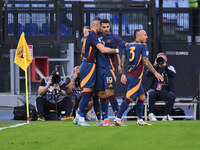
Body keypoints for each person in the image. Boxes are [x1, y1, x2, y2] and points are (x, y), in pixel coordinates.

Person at [73, 17, 120, 126]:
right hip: (89, 64)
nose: (103, 29)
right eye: (102, 26)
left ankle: (79, 117)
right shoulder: (93, 35)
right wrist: (116, 51)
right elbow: (103, 49)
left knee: (93, 93)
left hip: (87, 64)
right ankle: (81, 118)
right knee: (87, 92)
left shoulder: (87, 36)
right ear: (97, 26)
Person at [114, 29, 164, 126]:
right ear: (139, 36)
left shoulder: (127, 46)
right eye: (145, 35)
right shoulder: (143, 46)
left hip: (130, 74)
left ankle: (140, 120)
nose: (147, 37)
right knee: (130, 97)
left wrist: (123, 74)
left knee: (141, 97)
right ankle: (117, 118)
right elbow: (146, 61)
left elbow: (123, 61)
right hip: (136, 76)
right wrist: (155, 73)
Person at [93, 19, 127, 126]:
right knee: (101, 94)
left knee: (109, 93)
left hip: (109, 69)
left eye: (108, 27)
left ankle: (118, 118)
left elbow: (125, 46)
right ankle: (105, 119)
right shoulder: (96, 37)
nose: (106, 29)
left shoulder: (114, 37)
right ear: (100, 27)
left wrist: (120, 65)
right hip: (98, 69)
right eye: (104, 27)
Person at [146, 52, 176, 121]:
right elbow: (147, 74)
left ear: (166, 59)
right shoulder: (154, 68)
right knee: (151, 93)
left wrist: (165, 66)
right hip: (156, 91)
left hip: (166, 91)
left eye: (162, 58)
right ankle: (151, 114)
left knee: (172, 95)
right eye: (158, 59)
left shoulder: (170, 67)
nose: (160, 60)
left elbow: (173, 74)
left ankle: (166, 115)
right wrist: (154, 65)